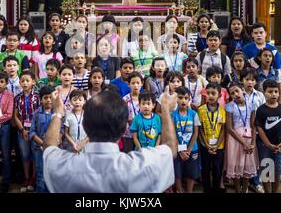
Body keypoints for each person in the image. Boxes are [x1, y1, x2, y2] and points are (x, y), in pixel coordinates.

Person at [42, 85, 178, 193]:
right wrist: (165, 109)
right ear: (125, 128)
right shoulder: (141, 165)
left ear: (85, 125)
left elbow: (48, 147)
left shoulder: (65, 166)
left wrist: (58, 113)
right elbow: (170, 149)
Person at [255, 80, 281, 193]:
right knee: (266, 169)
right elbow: (259, 128)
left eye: (276, 91)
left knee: (277, 170)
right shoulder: (261, 110)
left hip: (280, 146)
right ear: (264, 93)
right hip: (264, 145)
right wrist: (268, 144)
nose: (274, 94)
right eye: (270, 92)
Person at [225, 82, 258, 193]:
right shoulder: (229, 106)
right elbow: (229, 128)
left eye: (237, 91)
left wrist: (252, 143)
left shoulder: (252, 105)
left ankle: (245, 189)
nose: (235, 94)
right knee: (236, 164)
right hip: (235, 139)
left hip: (249, 137)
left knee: (247, 165)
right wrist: (244, 143)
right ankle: (238, 189)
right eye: (232, 93)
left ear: (242, 91)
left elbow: (253, 125)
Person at [13, 70, 40, 193]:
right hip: (22, 131)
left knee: (34, 155)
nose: (24, 83)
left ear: (33, 82)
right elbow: (16, 116)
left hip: (35, 132)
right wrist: (22, 129)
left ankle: (33, 179)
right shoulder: (18, 98)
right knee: (25, 155)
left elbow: (39, 115)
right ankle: (26, 178)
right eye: (22, 81)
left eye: (27, 80)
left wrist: (33, 131)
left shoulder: (38, 96)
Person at [197, 83, 226, 193]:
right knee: (205, 169)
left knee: (217, 170)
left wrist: (216, 145)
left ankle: (216, 189)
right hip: (205, 146)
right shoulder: (201, 110)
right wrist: (207, 145)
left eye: (213, 93)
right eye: (208, 93)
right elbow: (200, 130)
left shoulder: (223, 111)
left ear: (219, 95)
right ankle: (207, 190)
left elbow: (223, 130)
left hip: (219, 147)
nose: (210, 96)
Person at [171, 86, 200, 193]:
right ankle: (179, 189)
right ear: (175, 99)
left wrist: (188, 150)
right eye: (180, 97)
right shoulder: (172, 115)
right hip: (177, 149)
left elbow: (196, 132)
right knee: (177, 173)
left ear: (189, 100)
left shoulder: (194, 114)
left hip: (192, 150)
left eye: (186, 98)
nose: (183, 100)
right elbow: (173, 133)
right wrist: (180, 150)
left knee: (191, 174)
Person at [30, 85, 58, 193]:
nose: (48, 100)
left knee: (52, 172)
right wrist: (42, 144)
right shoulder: (37, 113)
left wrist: (57, 139)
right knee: (41, 172)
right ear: (41, 99)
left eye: (51, 97)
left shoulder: (56, 113)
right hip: (39, 149)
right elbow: (32, 132)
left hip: (54, 149)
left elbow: (60, 130)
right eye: (45, 98)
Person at [122, 72, 143, 152]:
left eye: (138, 83)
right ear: (128, 84)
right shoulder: (125, 99)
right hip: (128, 134)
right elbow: (122, 115)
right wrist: (127, 118)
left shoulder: (145, 98)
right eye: (133, 83)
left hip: (143, 133)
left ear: (142, 84)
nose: (135, 85)